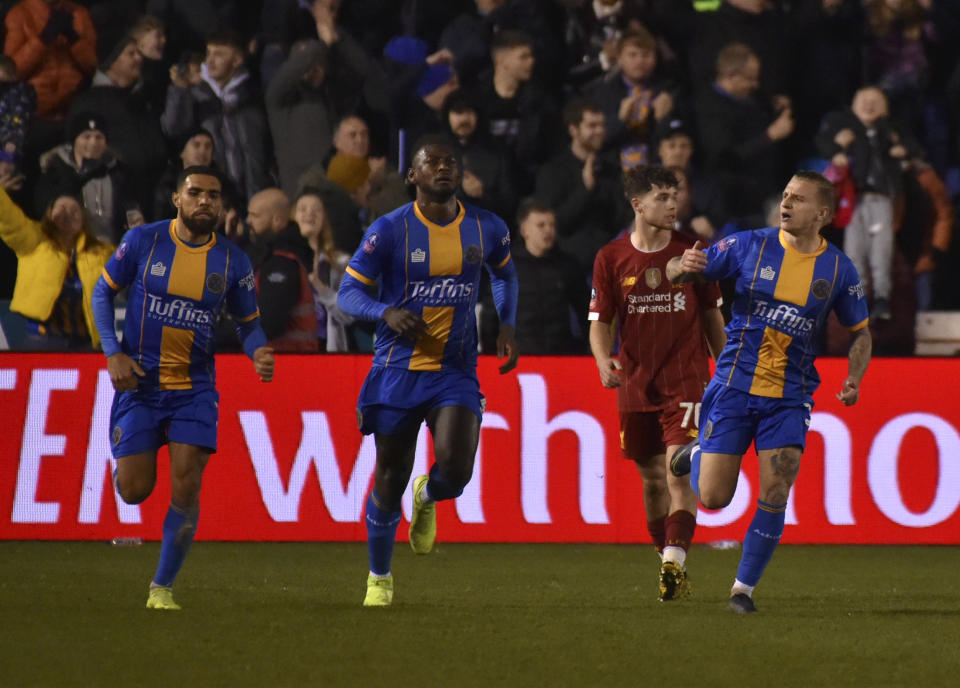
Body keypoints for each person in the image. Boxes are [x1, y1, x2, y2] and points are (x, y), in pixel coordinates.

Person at [666, 170, 872, 614]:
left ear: (821, 213)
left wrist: (854, 375)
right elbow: (675, 270)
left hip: (789, 396)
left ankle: (743, 590)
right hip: (735, 388)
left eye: (797, 199)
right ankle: (698, 453)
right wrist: (682, 268)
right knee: (714, 498)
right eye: (784, 195)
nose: (785, 203)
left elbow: (861, 333)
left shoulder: (838, 269)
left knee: (777, 489)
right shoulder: (747, 245)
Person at [337, 136, 518, 607]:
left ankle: (429, 494)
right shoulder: (390, 230)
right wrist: (385, 313)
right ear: (412, 176)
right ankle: (379, 577)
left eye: (451, 163)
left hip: (455, 369)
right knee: (390, 474)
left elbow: (505, 274)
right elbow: (347, 294)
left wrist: (507, 322)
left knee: (456, 471)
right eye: (431, 163)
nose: (443, 168)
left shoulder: (486, 227)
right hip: (398, 368)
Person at [91, 165, 275, 611]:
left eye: (213, 195)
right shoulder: (143, 242)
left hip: (195, 389)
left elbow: (248, 324)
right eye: (195, 193)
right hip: (141, 383)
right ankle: (125, 468)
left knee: (187, 484)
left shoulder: (234, 262)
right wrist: (112, 352)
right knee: (135, 490)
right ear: (177, 198)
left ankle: (162, 587)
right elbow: (101, 293)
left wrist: (259, 351)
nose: (205, 201)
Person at [589, 165, 725, 600]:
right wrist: (600, 359)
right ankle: (666, 561)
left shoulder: (693, 252)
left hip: (686, 381)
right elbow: (600, 321)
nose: (673, 204)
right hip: (634, 383)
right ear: (638, 205)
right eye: (663, 196)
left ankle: (673, 561)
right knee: (651, 480)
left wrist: (725, 370)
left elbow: (711, 317)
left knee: (676, 475)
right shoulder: (610, 258)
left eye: (675, 195)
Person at [0, 179, 113, 349]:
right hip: (42, 342)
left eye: (74, 210)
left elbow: (135, 261)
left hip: (86, 345)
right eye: (61, 208)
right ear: (49, 214)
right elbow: (8, 219)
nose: (67, 214)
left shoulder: (101, 251)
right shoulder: (35, 241)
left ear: (83, 218)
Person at [480, 198, 588, 355]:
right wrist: (491, 357)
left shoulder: (568, 266)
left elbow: (586, 311)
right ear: (525, 230)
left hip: (562, 359)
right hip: (519, 360)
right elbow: (489, 319)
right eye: (541, 225)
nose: (548, 230)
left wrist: (590, 350)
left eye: (552, 225)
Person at [36, 111, 142, 244]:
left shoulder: (118, 172)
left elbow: (130, 204)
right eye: (86, 137)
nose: (93, 142)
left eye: (99, 137)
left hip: (112, 249)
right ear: (74, 141)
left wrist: (135, 217)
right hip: (72, 249)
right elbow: (43, 209)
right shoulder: (55, 172)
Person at [246, 187, 320, 352]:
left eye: (255, 216)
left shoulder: (282, 262)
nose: (248, 221)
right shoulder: (270, 255)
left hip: (288, 363)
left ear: (277, 220)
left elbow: (270, 324)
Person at [294, 186, 354, 351]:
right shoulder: (284, 261)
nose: (309, 214)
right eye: (302, 209)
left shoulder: (340, 263)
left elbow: (348, 314)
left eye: (316, 210)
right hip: (294, 351)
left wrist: (322, 289)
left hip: (329, 352)